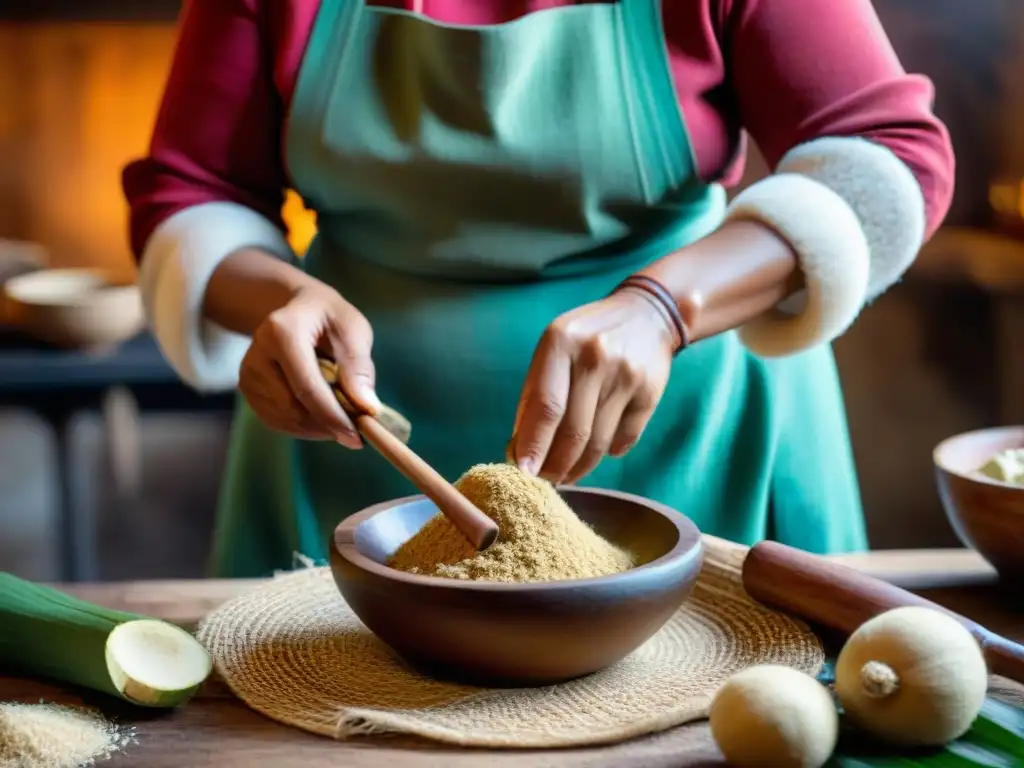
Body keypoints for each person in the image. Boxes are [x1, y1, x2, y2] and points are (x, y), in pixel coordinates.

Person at [123, 0, 954, 578]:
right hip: (351, 449)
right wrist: (276, 304)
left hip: (697, 435)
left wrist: (663, 308)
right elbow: (195, 190)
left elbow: (886, 165)